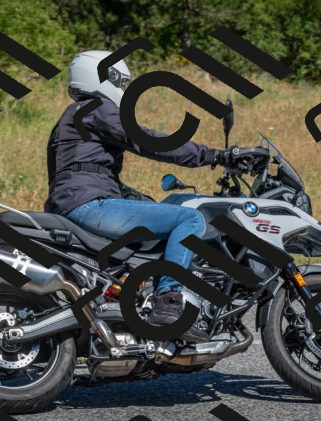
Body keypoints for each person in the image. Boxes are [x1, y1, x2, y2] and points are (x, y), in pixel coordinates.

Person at [44, 50, 230, 343]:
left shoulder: (78, 114)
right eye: (120, 82)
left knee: (170, 209)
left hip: (78, 203)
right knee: (191, 219)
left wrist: (143, 199)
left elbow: (95, 175)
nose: (123, 90)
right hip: (88, 206)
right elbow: (149, 141)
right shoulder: (96, 108)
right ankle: (167, 302)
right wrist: (214, 156)